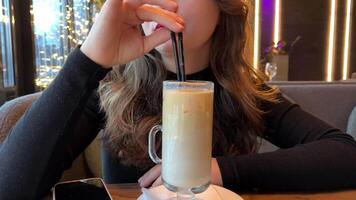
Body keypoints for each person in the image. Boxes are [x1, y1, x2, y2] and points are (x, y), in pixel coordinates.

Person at [0, 0, 356, 199]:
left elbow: (345, 153)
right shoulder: (110, 86)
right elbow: (10, 187)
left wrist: (220, 170)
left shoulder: (242, 92)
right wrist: (90, 58)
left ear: (224, 10)